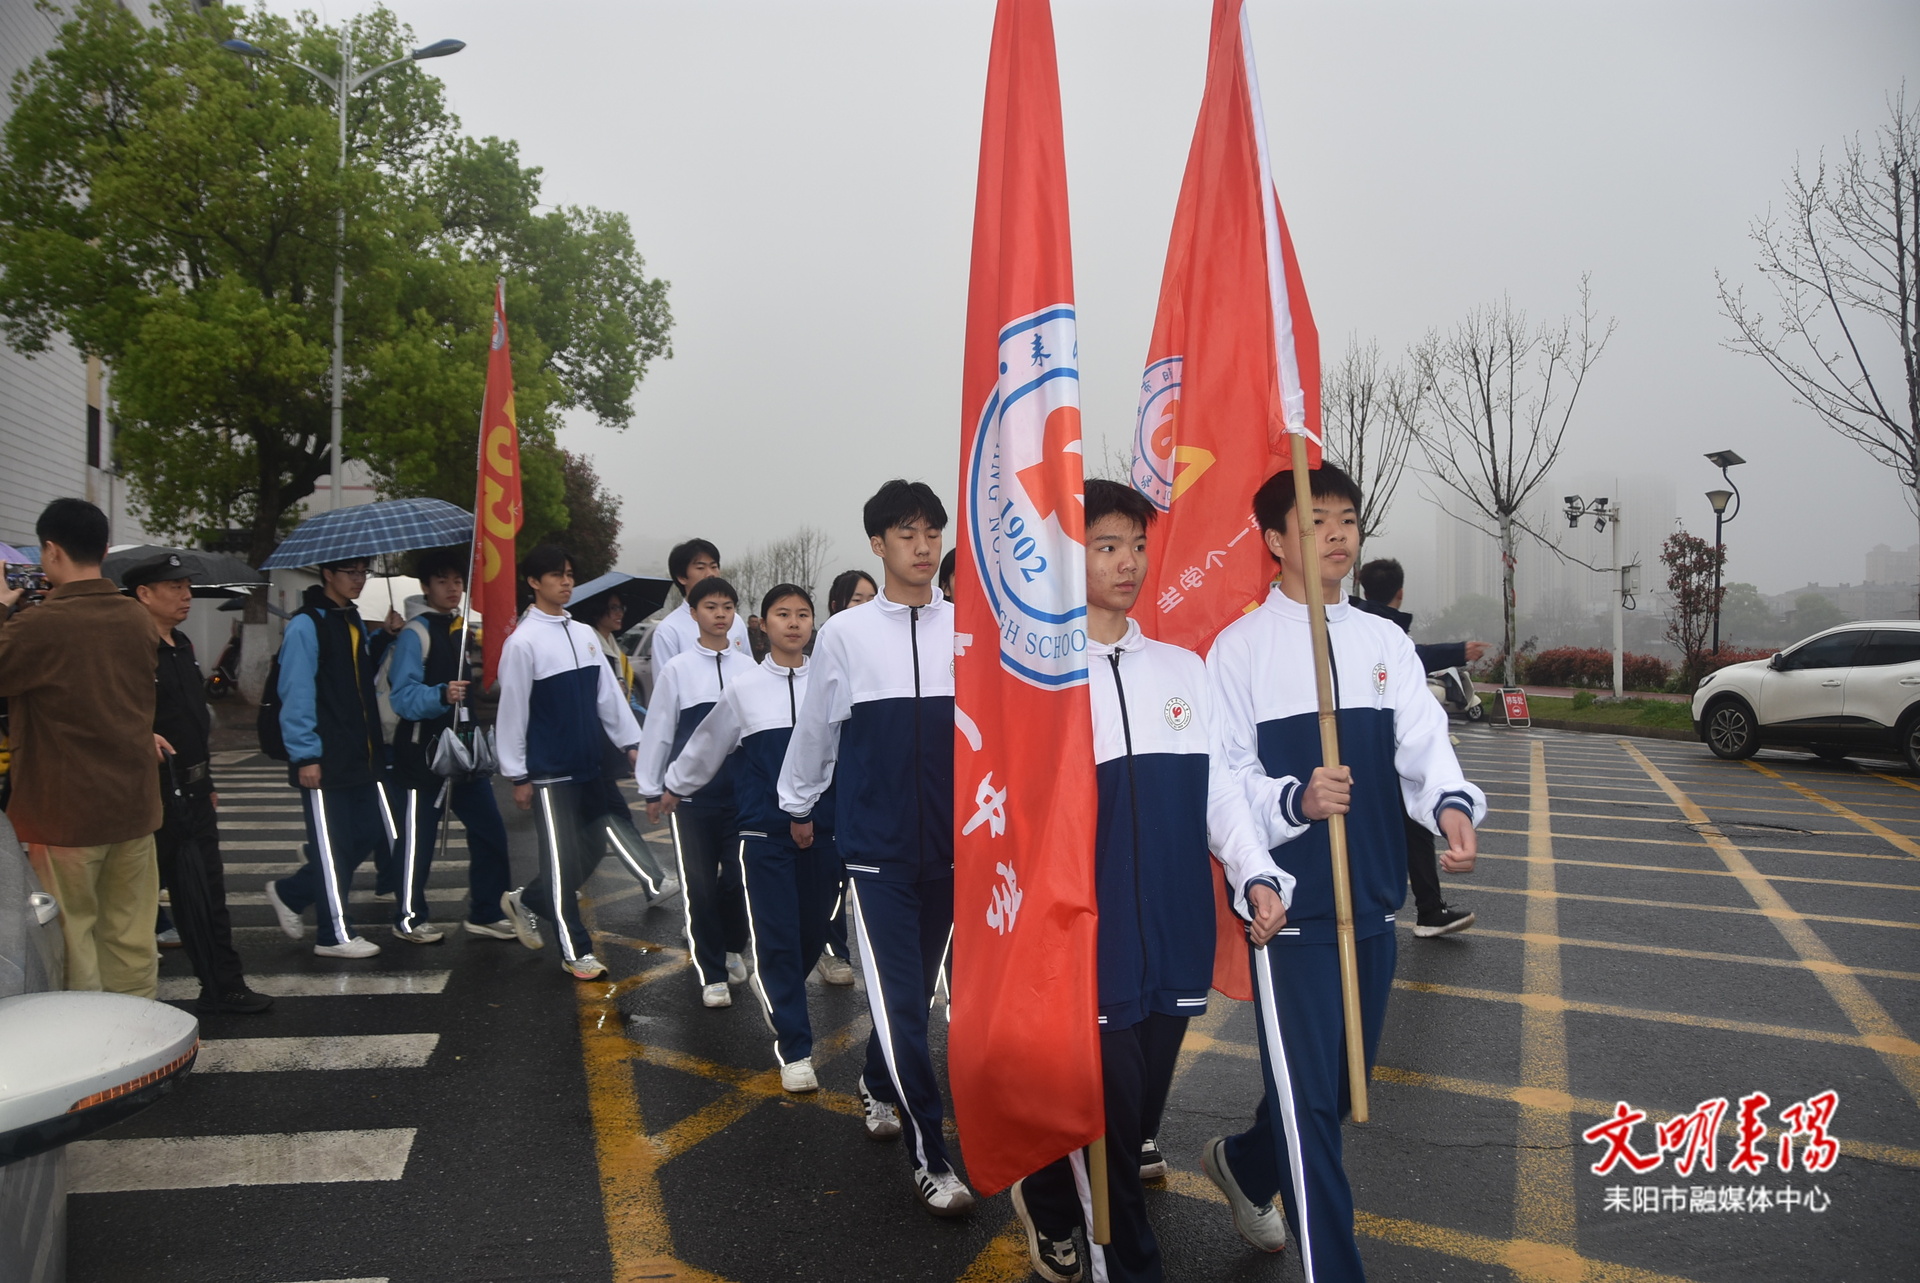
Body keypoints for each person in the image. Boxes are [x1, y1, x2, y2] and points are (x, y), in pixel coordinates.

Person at [1201, 464, 1483, 1279]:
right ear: (1274, 541)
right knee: (1317, 1113)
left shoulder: (1381, 640)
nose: (1337, 532)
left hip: (1374, 911)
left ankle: (1246, 1163)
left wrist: (1452, 805)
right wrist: (1295, 798)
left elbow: (1425, 744)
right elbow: (1223, 783)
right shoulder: (1240, 649)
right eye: (1316, 518)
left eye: (1348, 518)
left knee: (1334, 1086)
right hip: (1289, 922)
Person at [1009, 482, 1291, 1283]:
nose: (1126, 561)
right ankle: (1128, 1262)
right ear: (1069, 558)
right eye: (1105, 545)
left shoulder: (1181, 668)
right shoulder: (1042, 678)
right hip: (1086, 932)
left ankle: (1051, 1197)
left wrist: (1255, 873)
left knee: (1133, 1114)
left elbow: (1219, 794)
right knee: (1110, 1119)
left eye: (1135, 544)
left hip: (1171, 928)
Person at [778, 479, 973, 1217]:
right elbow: (819, 731)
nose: (922, 547)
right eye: (905, 533)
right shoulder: (847, 635)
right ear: (877, 543)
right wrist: (796, 802)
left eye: (931, 533)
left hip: (953, 852)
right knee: (898, 1003)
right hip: (875, 854)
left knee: (909, 1001)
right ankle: (932, 1157)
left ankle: (875, 1078)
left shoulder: (967, 628)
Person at [662, 584, 838, 1091]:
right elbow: (705, 747)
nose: (794, 623)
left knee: (810, 934)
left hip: (825, 835)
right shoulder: (743, 688)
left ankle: (779, 988)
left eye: (803, 614)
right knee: (779, 938)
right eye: (782, 614)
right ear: (762, 624)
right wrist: (675, 785)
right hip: (763, 835)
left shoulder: (831, 685)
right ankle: (796, 1050)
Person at [0, 499, 163, 996]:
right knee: (131, 936)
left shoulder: (41, 624)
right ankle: (140, 1038)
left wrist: (5, 605)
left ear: (51, 551)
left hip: (66, 811)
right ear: (105, 549)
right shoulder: (137, 618)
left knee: (72, 937)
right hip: (134, 804)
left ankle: (93, 1051)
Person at [127, 553, 270, 1013]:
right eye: (174, 586)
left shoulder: (182, 644)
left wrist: (206, 777)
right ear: (143, 594)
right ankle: (136, 997)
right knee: (151, 901)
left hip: (192, 789)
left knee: (206, 893)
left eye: (187, 585)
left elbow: (191, 721)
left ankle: (224, 985)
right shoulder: (131, 650)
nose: (186, 595)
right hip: (153, 793)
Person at [496, 546, 643, 981]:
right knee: (560, 862)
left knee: (595, 846)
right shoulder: (522, 642)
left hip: (589, 767)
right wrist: (518, 774)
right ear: (533, 582)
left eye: (569, 574)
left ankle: (530, 900)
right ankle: (574, 948)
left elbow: (608, 699)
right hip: (549, 774)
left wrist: (631, 743)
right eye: (556, 575)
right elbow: (513, 713)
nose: (566, 582)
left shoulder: (582, 634)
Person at [265, 557, 401, 959]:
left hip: (361, 753)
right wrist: (306, 754)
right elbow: (297, 691)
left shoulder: (350, 618)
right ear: (328, 574)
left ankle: (292, 892)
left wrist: (382, 639)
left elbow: (356, 677)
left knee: (370, 834)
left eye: (363, 573)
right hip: (324, 757)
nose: (359, 580)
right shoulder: (308, 623)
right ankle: (333, 935)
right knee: (334, 845)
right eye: (351, 573)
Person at [383, 547, 517, 943]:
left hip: (464, 751)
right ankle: (408, 917)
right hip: (420, 754)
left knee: (490, 830)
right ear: (425, 587)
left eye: (457, 581)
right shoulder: (415, 633)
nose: (452, 588)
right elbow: (401, 697)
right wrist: (441, 694)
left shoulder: (462, 630)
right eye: (442, 581)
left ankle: (487, 911)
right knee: (417, 839)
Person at [1352, 557, 1488, 939]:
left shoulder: (1354, 620)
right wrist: (1459, 650)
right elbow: (1414, 657)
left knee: (1410, 828)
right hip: (1389, 752)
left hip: (1366, 751)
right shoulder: (1383, 631)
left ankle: (1427, 909)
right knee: (1410, 826)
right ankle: (1424, 909)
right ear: (1401, 592)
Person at [637, 576, 753, 1006]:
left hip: (741, 798)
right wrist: (653, 788)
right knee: (700, 887)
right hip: (692, 800)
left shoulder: (749, 669)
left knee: (738, 882)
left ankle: (730, 947)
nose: (720, 614)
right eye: (710, 607)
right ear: (693, 614)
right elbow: (659, 731)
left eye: (728, 607)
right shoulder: (677, 670)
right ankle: (711, 973)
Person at [570, 582, 677, 904]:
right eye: (614, 608)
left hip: (607, 745)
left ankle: (550, 888)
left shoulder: (609, 644)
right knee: (607, 818)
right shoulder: (589, 644)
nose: (620, 613)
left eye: (621, 608)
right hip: (593, 746)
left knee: (600, 822)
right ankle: (652, 879)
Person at [811, 568, 879, 986]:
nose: (866, 606)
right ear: (836, 606)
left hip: (867, 783)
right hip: (831, 783)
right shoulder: (831, 647)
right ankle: (833, 949)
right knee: (831, 874)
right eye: (857, 599)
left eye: (872, 598)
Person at [650, 538, 750, 670]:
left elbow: (750, 672)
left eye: (714, 567)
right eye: (701, 568)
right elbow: (665, 684)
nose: (711, 574)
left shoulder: (735, 620)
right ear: (681, 577)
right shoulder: (669, 630)